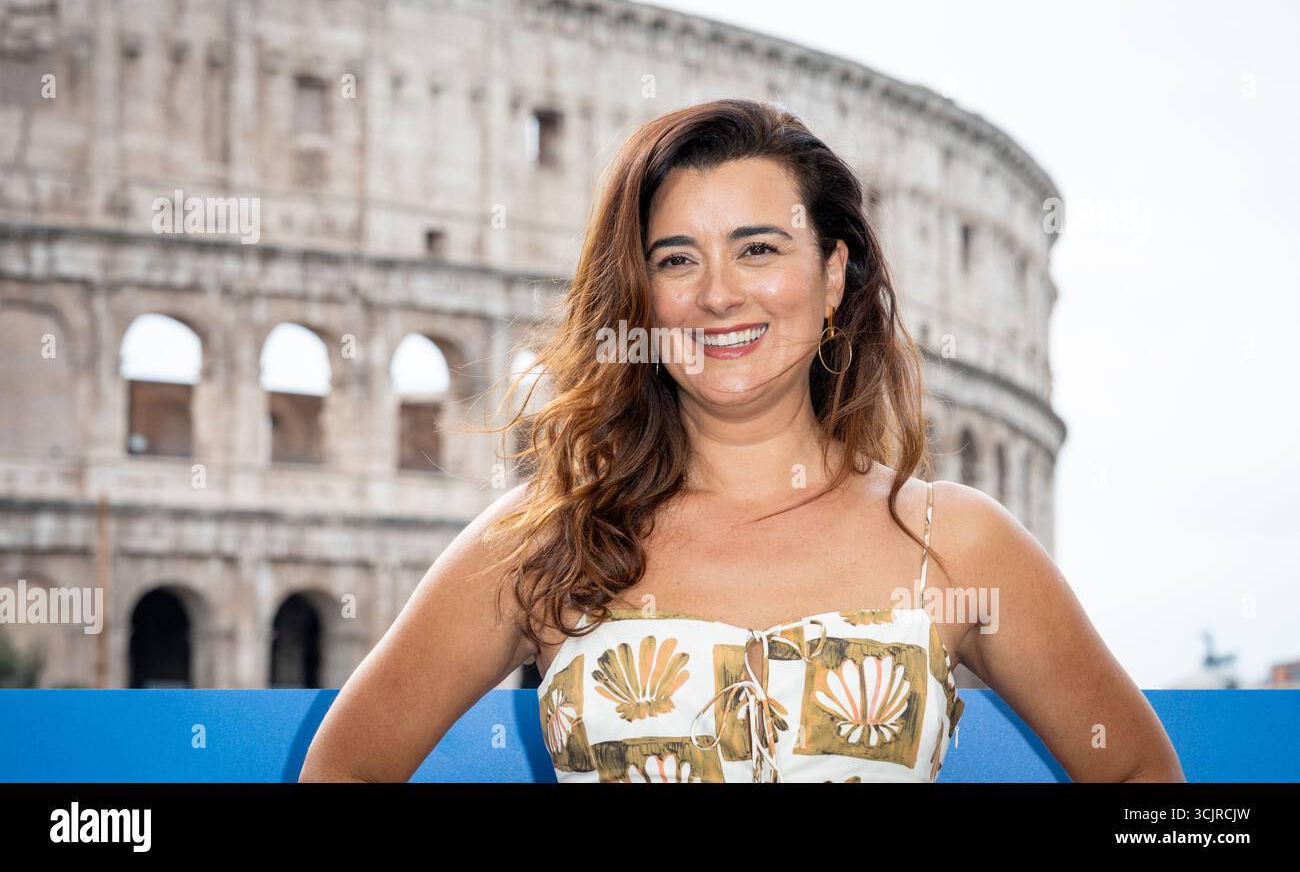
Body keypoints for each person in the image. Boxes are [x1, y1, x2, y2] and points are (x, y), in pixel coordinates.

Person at [299, 98, 1184, 783]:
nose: (718, 294)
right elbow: (346, 767)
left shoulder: (951, 542)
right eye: (676, 259)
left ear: (834, 275)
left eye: (758, 249)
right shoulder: (545, 541)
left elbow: (1144, 775)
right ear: (640, 297)